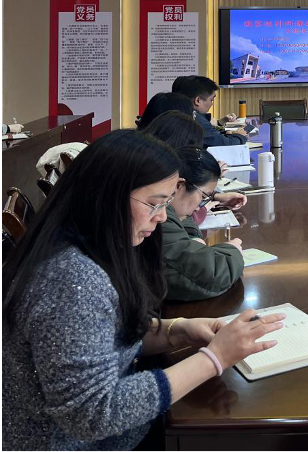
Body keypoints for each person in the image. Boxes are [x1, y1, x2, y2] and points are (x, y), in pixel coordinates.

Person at [2, 130, 285, 451]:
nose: (162, 217)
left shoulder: (90, 248)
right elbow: (93, 414)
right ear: (106, 197)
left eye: (166, 203)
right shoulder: (70, 280)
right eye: (154, 204)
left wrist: (176, 330)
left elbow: (103, 337)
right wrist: (214, 358)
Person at [162, 147, 247, 302]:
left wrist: (192, 237)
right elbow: (212, 275)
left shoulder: (168, 209)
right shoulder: (160, 216)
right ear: (178, 185)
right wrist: (232, 251)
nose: (199, 207)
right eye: (203, 196)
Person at [176, 76, 247, 147]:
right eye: (211, 100)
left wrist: (220, 124)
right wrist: (239, 135)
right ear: (198, 100)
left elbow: (210, 135)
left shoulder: (181, 112)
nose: (211, 104)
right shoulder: (195, 119)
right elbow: (225, 144)